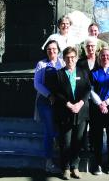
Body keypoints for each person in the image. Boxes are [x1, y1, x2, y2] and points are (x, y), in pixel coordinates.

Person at [52, 46, 91, 180]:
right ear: (63, 59)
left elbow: (88, 89)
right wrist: (68, 104)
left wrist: (80, 104)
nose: (70, 60)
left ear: (77, 58)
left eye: (73, 57)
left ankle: (75, 167)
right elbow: (57, 93)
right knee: (65, 142)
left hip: (81, 111)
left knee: (77, 141)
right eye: (68, 57)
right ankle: (66, 168)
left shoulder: (83, 72)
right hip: (65, 112)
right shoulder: (59, 74)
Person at [34, 40, 64, 173]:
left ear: (58, 50)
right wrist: (49, 95)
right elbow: (37, 84)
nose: (51, 51)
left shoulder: (62, 62)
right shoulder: (41, 64)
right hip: (46, 101)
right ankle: (48, 162)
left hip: (61, 101)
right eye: (49, 49)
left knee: (60, 128)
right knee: (49, 130)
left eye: (54, 49)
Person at [90, 48, 109, 175]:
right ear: (99, 58)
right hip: (97, 109)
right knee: (97, 138)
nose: (105, 57)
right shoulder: (94, 72)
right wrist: (100, 104)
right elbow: (91, 90)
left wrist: (107, 103)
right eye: (102, 55)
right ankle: (97, 164)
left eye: (107, 55)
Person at [76, 36, 100, 152]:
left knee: (95, 123)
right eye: (88, 46)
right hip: (84, 97)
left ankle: (94, 146)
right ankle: (83, 146)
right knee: (84, 123)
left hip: (97, 97)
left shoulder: (100, 60)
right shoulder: (80, 62)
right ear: (85, 48)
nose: (90, 48)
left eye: (92, 46)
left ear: (96, 47)